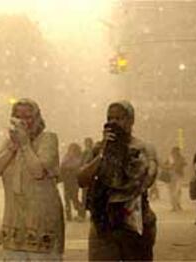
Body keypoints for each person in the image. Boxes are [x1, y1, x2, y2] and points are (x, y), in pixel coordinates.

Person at [78, 101, 157, 261]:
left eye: (119, 118)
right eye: (110, 118)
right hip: (103, 223)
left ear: (131, 120)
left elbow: (144, 181)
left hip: (134, 222)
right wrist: (103, 154)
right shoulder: (99, 148)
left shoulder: (143, 148)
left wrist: (120, 153)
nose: (113, 122)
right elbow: (81, 179)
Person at [0, 98, 64, 261]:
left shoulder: (48, 139)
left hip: (42, 220)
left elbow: (38, 171)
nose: (23, 122)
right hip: (14, 219)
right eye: (18, 117)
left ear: (38, 119)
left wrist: (25, 145)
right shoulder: (10, 143)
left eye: (28, 117)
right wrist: (13, 147)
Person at [60, 143, 83, 221]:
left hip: (74, 181)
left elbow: (77, 166)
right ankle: (68, 216)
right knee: (67, 199)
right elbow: (62, 166)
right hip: (67, 181)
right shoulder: (67, 157)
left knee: (74, 198)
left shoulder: (78, 158)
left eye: (72, 149)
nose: (71, 151)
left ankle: (81, 212)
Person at [164, 146, 186, 211]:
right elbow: (164, 165)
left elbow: (184, 163)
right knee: (174, 191)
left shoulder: (180, 158)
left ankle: (176, 204)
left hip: (177, 175)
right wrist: (170, 167)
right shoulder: (170, 158)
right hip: (172, 176)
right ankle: (175, 205)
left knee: (176, 191)